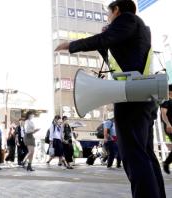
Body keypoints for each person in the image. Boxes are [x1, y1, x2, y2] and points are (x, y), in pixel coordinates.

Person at [55, 0, 166, 197]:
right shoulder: (138, 28)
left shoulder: (126, 20)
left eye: (109, 14)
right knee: (145, 153)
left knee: (133, 155)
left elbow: (103, 39)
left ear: (116, 10)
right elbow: (113, 54)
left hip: (130, 97)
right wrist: (107, 38)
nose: (108, 18)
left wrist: (72, 45)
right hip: (143, 96)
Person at [161, 84, 172, 174]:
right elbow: (163, 114)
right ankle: (166, 163)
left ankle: (166, 162)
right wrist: (168, 124)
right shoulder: (166, 101)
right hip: (170, 127)